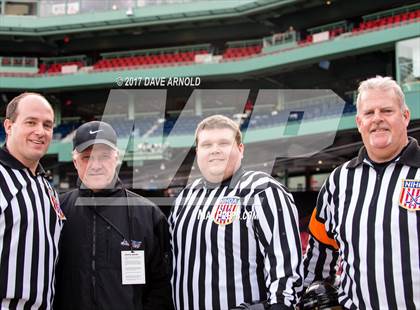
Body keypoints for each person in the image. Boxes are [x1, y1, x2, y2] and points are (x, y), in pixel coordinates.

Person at [303, 76, 420, 309]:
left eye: (387, 110)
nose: (377, 119)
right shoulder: (338, 181)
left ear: (405, 116)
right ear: (359, 122)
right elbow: (319, 251)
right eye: (369, 113)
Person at [169, 115, 303, 310]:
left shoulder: (262, 190)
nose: (215, 150)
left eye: (224, 143)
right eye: (207, 145)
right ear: (198, 152)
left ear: (241, 149)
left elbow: (285, 267)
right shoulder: (184, 198)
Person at [54, 121, 173, 310]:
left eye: (104, 156)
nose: (96, 165)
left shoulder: (148, 214)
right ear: (75, 162)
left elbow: (161, 285)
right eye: (87, 157)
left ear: (116, 158)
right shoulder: (58, 211)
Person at [0, 92, 64, 309]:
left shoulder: (47, 187)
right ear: (9, 126)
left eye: (47, 125)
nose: (40, 131)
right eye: (31, 122)